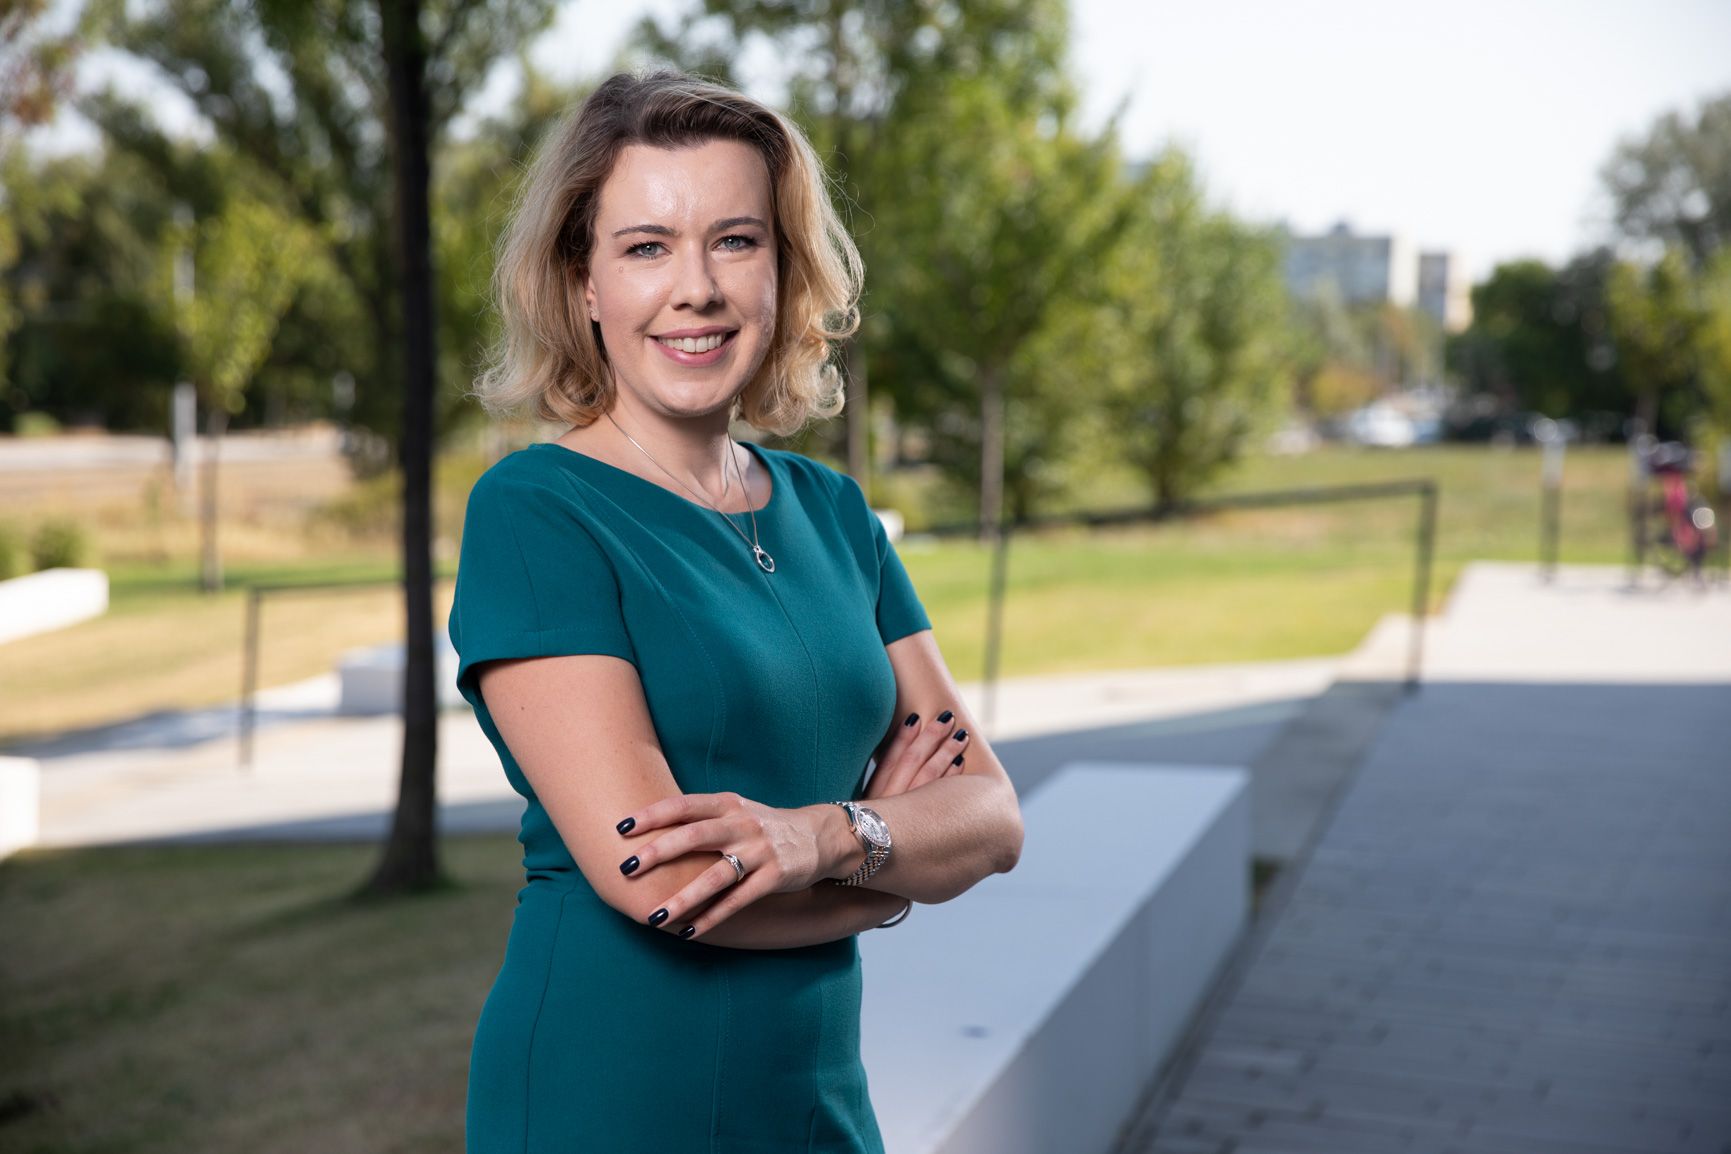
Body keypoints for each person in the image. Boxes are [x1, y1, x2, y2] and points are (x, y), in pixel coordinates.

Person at [450, 70, 1024, 1153]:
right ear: (582, 282)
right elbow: (664, 881)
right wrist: (890, 874)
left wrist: (821, 836)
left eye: (736, 240)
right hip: (610, 1092)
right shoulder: (536, 511)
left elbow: (990, 816)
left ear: (784, 268)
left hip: (813, 1088)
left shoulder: (834, 512)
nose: (697, 288)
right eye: (646, 246)